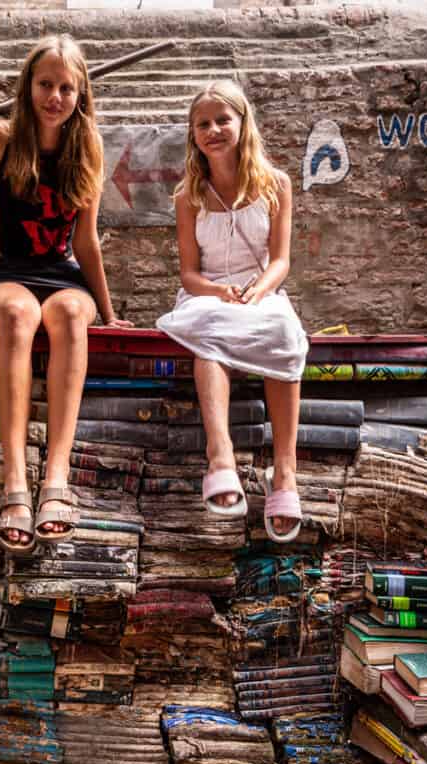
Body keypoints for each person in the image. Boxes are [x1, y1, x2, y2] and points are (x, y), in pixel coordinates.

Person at [0, 34, 131, 553]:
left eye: (67, 88)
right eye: (46, 84)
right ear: (28, 84)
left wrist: (110, 313)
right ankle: (14, 482)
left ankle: (55, 480)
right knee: (14, 312)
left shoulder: (87, 143)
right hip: (11, 272)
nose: (55, 97)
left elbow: (87, 242)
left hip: (65, 276)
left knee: (74, 314)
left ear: (81, 94)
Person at [156, 81, 308, 544]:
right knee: (208, 331)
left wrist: (257, 291)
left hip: (261, 293)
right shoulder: (189, 195)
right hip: (209, 295)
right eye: (203, 123)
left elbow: (280, 261)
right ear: (193, 135)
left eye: (223, 120)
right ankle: (220, 454)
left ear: (244, 124)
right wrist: (220, 292)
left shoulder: (275, 184)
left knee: (284, 332)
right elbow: (188, 274)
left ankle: (285, 471)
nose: (213, 130)